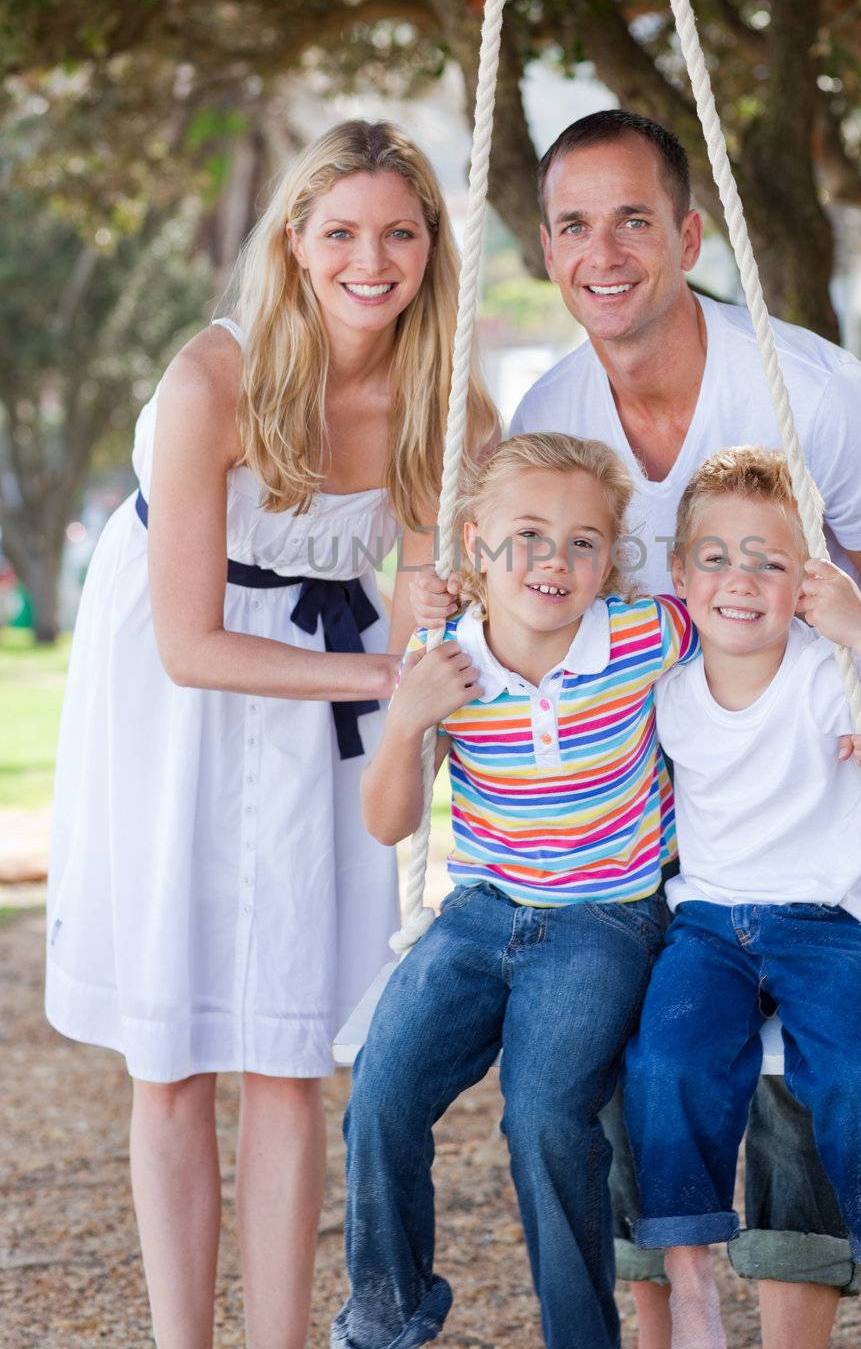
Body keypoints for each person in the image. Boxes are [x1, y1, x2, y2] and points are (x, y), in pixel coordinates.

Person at [417, 109, 861, 1349]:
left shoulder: (809, 396)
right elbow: (534, 603)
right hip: (637, 816)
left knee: (804, 1089)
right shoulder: (551, 409)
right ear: (545, 248)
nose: (600, 251)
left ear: (686, 233)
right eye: (571, 224)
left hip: (805, 787)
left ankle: (804, 1326)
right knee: (642, 1064)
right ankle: (674, 1319)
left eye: (630, 219)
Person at [44, 120, 495, 1349]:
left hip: (327, 720)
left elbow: (442, 571)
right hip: (173, 705)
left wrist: (432, 601)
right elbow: (190, 643)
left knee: (292, 1046)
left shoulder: (443, 396)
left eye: (399, 232)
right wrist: (386, 674)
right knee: (176, 1046)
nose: (372, 257)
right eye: (340, 231)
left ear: (430, 247)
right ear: (294, 243)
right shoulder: (214, 381)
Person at [333, 433, 699, 1349]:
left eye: (584, 542)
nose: (555, 560)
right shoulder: (442, 658)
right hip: (478, 914)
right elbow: (388, 824)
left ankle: (580, 1337)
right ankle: (386, 1317)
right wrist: (408, 716)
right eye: (526, 534)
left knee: (543, 1116)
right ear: (474, 546)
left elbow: (748, 621)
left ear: (610, 560)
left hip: (605, 921)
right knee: (380, 1092)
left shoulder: (641, 636)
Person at [624, 446, 861, 1349]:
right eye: (714, 557)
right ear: (679, 572)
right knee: (666, 1062)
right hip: (704, 927)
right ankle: (692, 1277)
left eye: (770, 562)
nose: (738, 580)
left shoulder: (832, 671)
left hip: (825, 928)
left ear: (806, 583)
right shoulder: (662, 681)